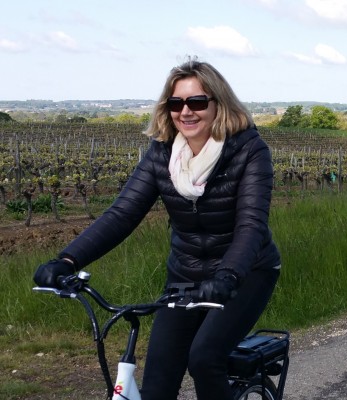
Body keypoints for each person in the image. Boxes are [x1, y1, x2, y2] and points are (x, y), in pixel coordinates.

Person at [32, 59, 281, 400]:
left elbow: (251, 226)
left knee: (206, 358)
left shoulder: (250, 150)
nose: (186, 112)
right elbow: (122, 213)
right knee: (158, 383)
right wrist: (68, 261)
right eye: (176, 103)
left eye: (197, 102)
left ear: (218, 105)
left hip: (245, 273)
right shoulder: (162, 153)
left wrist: (228, 277)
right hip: (185, 275)